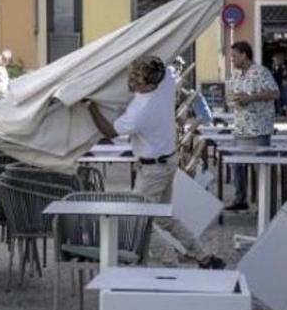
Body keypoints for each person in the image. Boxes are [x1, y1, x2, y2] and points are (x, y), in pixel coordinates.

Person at [83, 56, 225, 269]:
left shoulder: (141, 111)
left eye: (137, 81)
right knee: (163, 217)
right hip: (166, 162)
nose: (131, 83)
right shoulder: (165, 79)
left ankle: (171, 262)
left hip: (154, 170)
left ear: (150, 83)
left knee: (138, 219)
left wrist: (90, 106)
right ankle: (203, 256)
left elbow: (110, 131)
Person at [224, 41, 280, 212]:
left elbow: (275, 93)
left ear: (244, 55)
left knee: (260, 167)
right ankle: (240, 199)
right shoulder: (236, 75)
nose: (232, 59)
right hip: (241, 127)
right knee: (237, 165)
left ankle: (267, 203)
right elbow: (233, 94)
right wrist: (235, 100)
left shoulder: (261, 72)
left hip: (258, 128)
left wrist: (252, 98)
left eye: (234, 56)